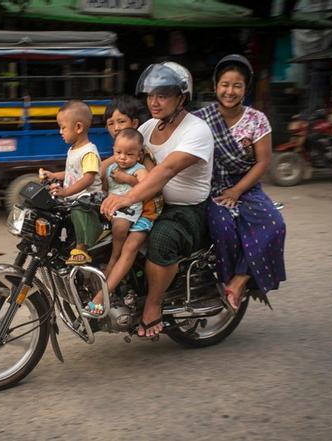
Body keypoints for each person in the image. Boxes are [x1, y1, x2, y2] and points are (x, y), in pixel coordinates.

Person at [101, 62, 214, 337]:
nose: (154, 101)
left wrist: (127, 197)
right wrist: (81, 176)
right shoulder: (150, 127)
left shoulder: (196, 130)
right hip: (149, 202)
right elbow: (121, 158)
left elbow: (166, 170)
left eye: (162, 95)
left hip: (185, 211)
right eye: (151, 95)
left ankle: (153, 305)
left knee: (162, 239)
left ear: (181, 98)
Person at [192, 54, 286, 310]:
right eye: (224, 84)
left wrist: (237, 190)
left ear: (245, 89)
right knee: (222, 225)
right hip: (211, 187)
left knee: (274, 224)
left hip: (246, 186)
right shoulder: (199, 119)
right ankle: (222, 281)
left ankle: (239, 279)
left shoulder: (257, 120)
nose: (229, 91)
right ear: (215, 86)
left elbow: (263, 162)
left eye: (237, 85)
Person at [87, 128, 149, 314]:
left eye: (129, 154)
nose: (122, 158)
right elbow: (105, 187)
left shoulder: (139, 170)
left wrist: (128, 179)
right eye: (118, 153)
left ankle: (115, 256)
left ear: (139, 155)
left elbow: (146, 186)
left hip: (130, 211)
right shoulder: (112, 168)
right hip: (112, 208)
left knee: (120, 228)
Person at [40, 100, 103, 265]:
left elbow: (88, 178)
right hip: (76, 197)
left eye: (63, 127)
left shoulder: (89, 152)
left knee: (78, 209)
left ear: (79, 127)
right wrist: (53, 175)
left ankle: (82, 249)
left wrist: (66, 192)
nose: (60, 132)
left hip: (89, 199)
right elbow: (72, 173)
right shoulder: (73, 149)